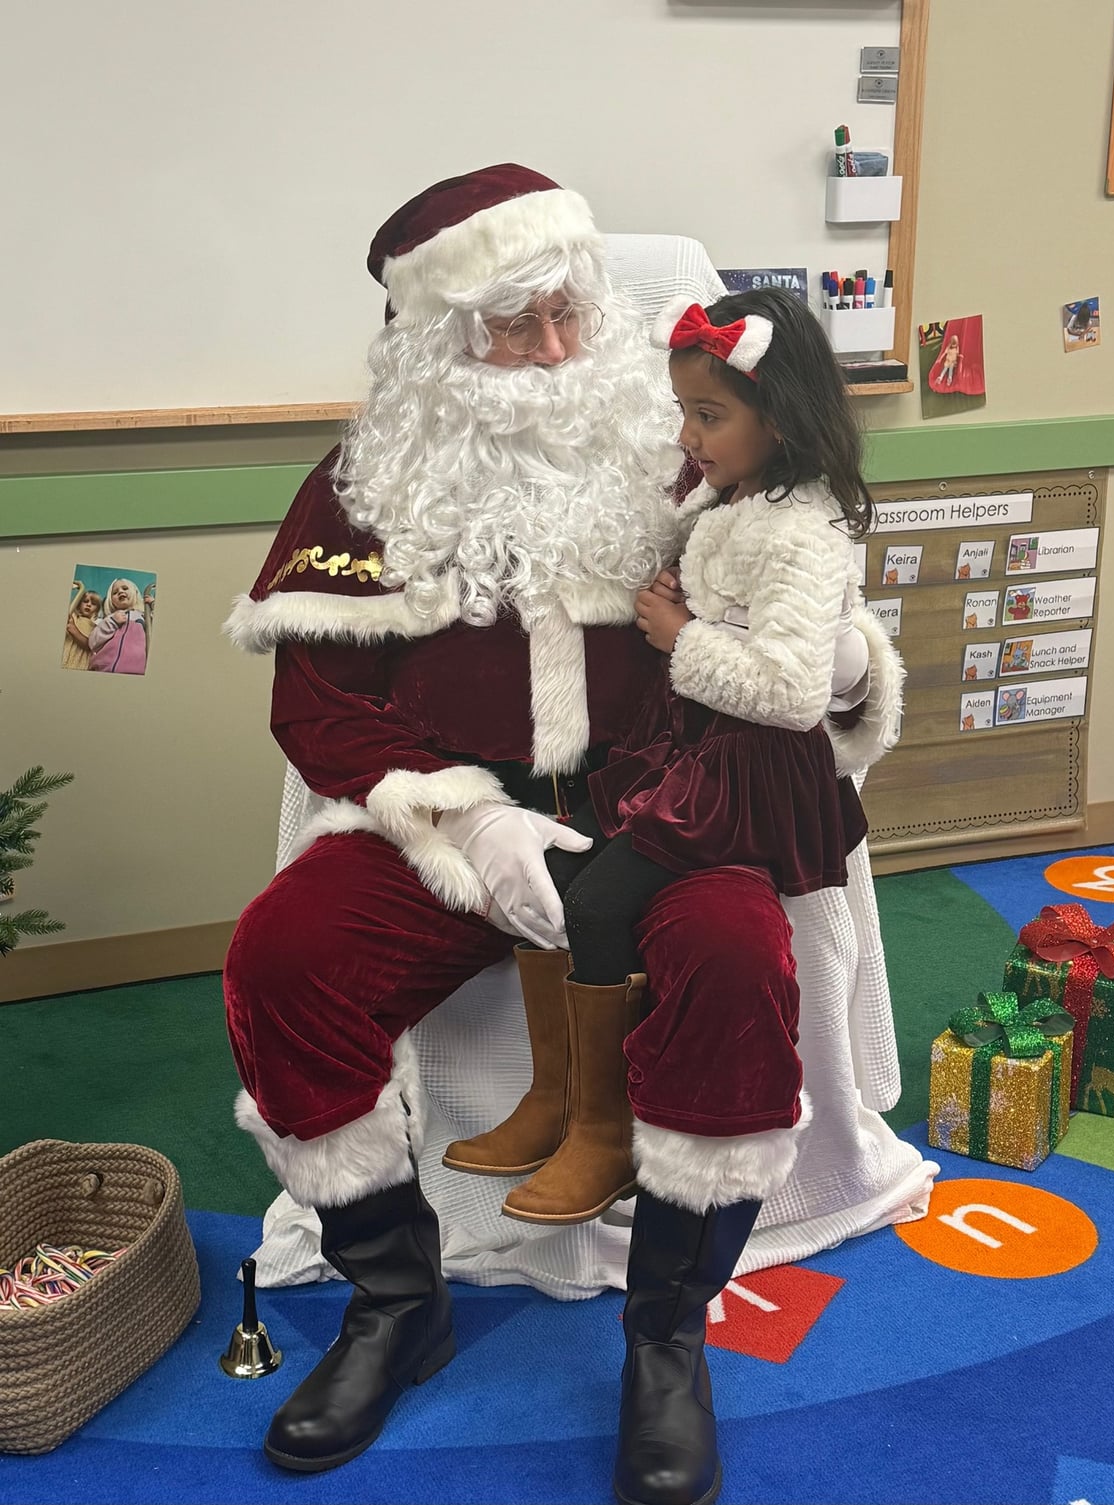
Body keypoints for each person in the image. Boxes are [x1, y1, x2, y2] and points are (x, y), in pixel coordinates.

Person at [222, 164, 910, 1502]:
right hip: (456, 818)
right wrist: (469, 824)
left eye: (568, 317)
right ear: (435, 343)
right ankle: (395, 1300)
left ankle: (664, 1334)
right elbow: (314, 699)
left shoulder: (690, 446)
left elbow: (799, 591)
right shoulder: (365, 488)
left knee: (731, 962)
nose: (551, 353)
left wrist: (835, 663)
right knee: (285, 955)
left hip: (665, 810)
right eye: (511, 325)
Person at [445, 288, 886, 1229]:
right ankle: (558, 1100)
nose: (689, 433)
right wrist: (682, 586)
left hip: (748, 777)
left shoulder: (801, 530)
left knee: (599, 900)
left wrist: (679, 635)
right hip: (698, 754)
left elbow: (790, 691)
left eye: (710, 415)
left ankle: (604, 1132)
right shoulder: (741, 496)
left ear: (783, 416)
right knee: (560, 854)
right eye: (683, 410)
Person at [88, 577, 150, 674]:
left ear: (136, 593)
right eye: (115, 592)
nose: (120, 591)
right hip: (104, 670)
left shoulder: (144, 617)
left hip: (135, 672)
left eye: (125, 588)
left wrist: (153, 605)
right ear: (111, 600)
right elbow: (92, 643)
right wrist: (112, 622)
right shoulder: (108, 619)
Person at [62, 583, 103, 671]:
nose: (89, 604)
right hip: (65, 656)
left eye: (93, 603)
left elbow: (89, 646)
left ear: (97, 609)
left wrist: (73, 629)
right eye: (85, 601)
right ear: (79, 604)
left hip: (80, 662)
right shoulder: (73, 617)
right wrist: (80, 588)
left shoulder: (96, 627)